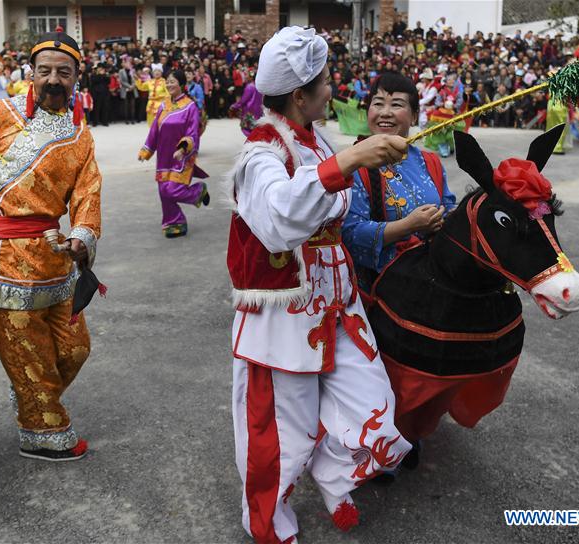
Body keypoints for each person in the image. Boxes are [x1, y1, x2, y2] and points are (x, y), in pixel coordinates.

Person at [226, 26, 412, 544]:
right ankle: (268, 520)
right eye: (326, 82)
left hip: (338, 303)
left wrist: (351, 157)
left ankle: (333, 477)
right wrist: (349, 161)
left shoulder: (316, 139)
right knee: (285, 432)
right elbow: (279, 219)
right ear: (299, 96)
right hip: (285, 317)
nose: (334, 90)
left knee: (373, 406)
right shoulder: (258, 155)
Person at [0, 30, 101, 461]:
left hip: (54, 254)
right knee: (28, 353)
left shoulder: (79, 135)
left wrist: (81, 237)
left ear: (76, 78)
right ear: (30, 73)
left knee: (75, 348)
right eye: (44, 70)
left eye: (63, 73)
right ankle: (41, 430)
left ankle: (33, 397)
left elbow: (88, 193)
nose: (53, 79)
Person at [343, 71, 456, 293]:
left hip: (431, 284)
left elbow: (448, 205)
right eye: (377, 104)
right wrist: (408, 226)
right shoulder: (353, 163)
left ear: (414, 115)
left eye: (396, 105)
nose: (385, 113)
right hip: (383, 293)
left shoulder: (430, 161)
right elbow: (350, 234)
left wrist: (452, 216)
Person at [138, 70, 210, 238]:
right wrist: (146, 150)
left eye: (173, 82)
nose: (169, 84)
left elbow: (193, 132)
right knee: (164, 191)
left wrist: (183, 148)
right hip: (163, 156)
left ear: (181, 84)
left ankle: (197, 192)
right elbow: (155, 130)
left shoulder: (190, 106)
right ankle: (174, 222)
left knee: (172, 189)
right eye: (168, 81)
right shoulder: (163, 105)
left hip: (181, 156)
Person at [117, 57, 137, 124]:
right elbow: (122, 81)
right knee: (125, 106)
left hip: (133, 90)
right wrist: (129, 86)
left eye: (129, 64)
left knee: (132, 106)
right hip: (125, 90)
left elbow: (135, 79)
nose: (128, 65)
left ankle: (132, 119)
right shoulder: (121, 71)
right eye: (127, 63)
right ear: (124, 64)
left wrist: (132, 86)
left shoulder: (133, 71)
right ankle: (126, 119)